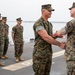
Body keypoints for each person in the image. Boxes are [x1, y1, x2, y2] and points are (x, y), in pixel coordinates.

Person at [33, 4, 65, 75]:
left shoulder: (49, 24)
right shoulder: (38, 23)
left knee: (47, 73)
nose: (51, 12)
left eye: (51, 11)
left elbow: (50, 37)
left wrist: (56, 35)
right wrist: (59, 44)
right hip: (40, 55)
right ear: (43, 11)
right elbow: (46, 37)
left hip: (48, 54)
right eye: (49, 10)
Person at [53, 2, 75, 75]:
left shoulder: (72, 23)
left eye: (71, 9)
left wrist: (53, 35)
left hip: (73, 58)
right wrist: (68, 44)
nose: (70, 11)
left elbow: (60, 33)